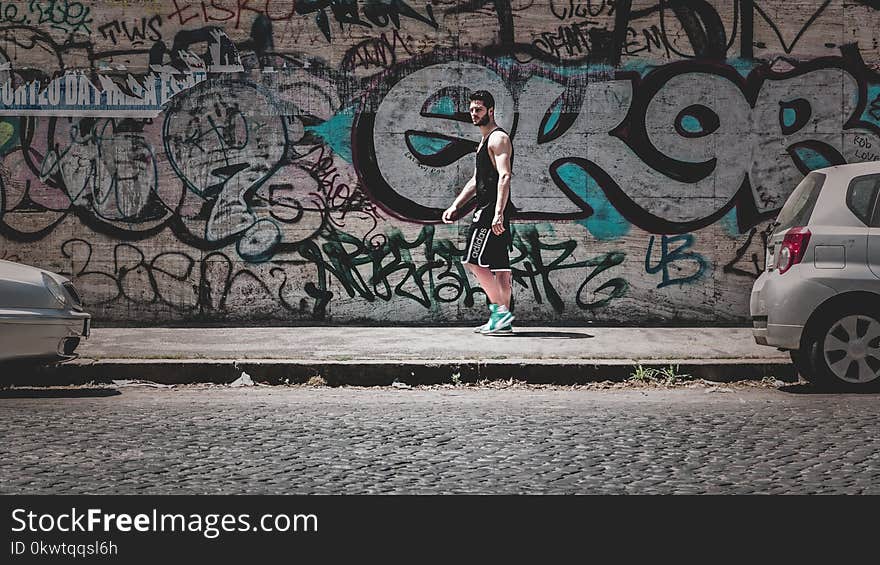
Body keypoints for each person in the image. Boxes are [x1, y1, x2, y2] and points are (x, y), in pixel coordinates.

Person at [442, 90, 516, 335]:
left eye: (479, 109)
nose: (474, 114)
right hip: (491, 209)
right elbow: (476, 180)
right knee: (500, 267)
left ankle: (501, 313)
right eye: (472, 109)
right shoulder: (484, 142)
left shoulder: (498, 139)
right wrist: (456, 205)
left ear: (491, 111)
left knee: (472, 261)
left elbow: (505, 176)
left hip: (489, 211)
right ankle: (502, 322)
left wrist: (497, 213)